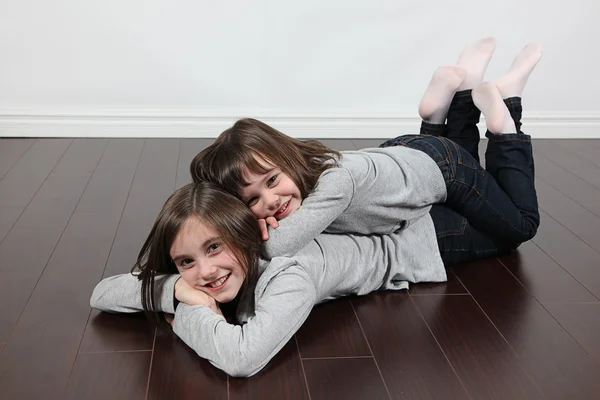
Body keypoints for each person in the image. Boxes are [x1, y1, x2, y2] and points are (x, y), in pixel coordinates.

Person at [190, 38, 542, 266]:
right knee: (460, 176)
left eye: (271, 180)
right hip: (408, 156)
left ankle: (506, 118)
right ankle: (458, 92)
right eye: (252, 200)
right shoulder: (317, 172)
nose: (270, 201)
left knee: (520, 225)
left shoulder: (332, 187)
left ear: (285, 158)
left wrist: (251, 232)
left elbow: (276, 248)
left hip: (444, 170)